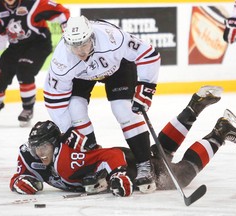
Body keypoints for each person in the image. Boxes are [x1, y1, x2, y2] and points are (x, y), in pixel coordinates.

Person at [10, 86, 236, 197]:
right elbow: (23, 169)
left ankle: (220, 133)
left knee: (177, 176)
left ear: (54, 143)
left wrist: (118, 175)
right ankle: (194, 107)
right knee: (162, 152)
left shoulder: (65, 160)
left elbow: (108, 156)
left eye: (43, 147)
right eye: (37, 148)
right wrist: (19, 180)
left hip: (128, 165)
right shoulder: (34, 156)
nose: (40, 153)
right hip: (128, 160)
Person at [43, 15, 161, 191]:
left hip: (118, 67)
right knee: (75, 108)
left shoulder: (113, 39)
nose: (80, 51)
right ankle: (92, 163)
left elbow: (149, 54)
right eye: (74, 46)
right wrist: (68, 130)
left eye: (83, 44)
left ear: (92, 38)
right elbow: (54, 99)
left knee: (123, 109)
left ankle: (144, 164)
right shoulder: (62, 60)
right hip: (82, 75)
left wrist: (146, 88)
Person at [0, 0, 70, 127]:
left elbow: (63, 12)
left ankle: (27, 109)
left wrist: (67, 31)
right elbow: (1, 44)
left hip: (39, 44)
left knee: (24, 70)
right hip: (16, 47)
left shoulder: (33, 3)